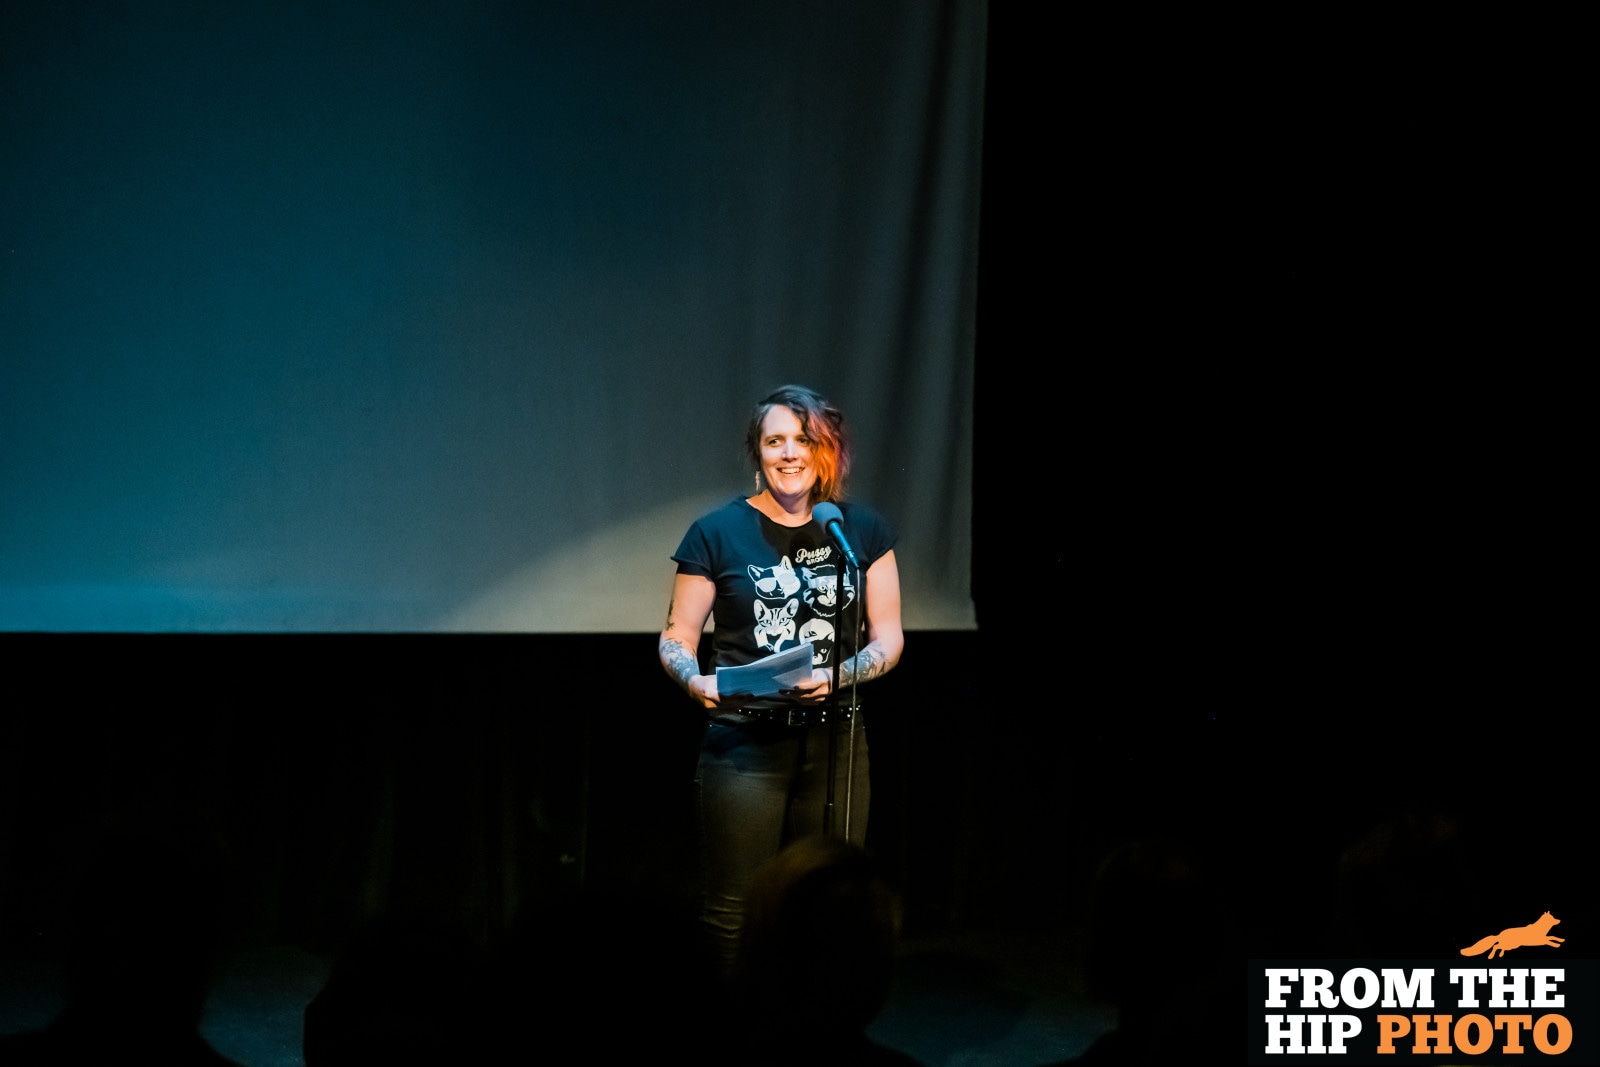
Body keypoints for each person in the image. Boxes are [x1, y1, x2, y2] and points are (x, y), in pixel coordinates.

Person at [658, 384, 904, 974]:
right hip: (744, 745)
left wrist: (840, 674)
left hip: (837, 741)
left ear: (827, 450)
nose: (789, 453)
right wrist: (695, 680)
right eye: (775, 441)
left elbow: (889, 637)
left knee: (830, 907)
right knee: (734, 913)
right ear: (759, 452)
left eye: (803, 439)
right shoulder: (717, 531)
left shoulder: (858, 529)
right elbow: (676, 637)